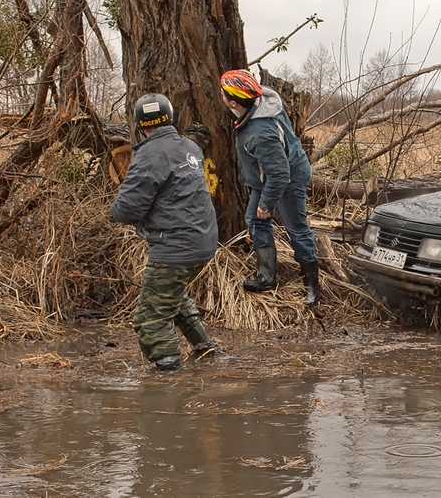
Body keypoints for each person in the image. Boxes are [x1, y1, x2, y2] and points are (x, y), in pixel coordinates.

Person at [111, 93, 221, 371]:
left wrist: (112, 209)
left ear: (139, 124)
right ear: (170, 118)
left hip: (175, 247)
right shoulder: (190, 147)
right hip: (204, 241)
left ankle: (168, 380)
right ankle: (207, 351)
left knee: (150, 319)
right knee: (171, 294)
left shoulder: (148, 154)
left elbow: (126, 210)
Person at [220, 69, 320, 306]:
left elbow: (279, 173)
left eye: (224, 95)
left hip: (287, 178)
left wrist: (266, 203)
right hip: (269, 177)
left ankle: (312, 287)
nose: (221, 97)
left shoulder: (260, 133)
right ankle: (267, 277)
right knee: (254, 219)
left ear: (234, 102)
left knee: (296, 228)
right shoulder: (263, 99)